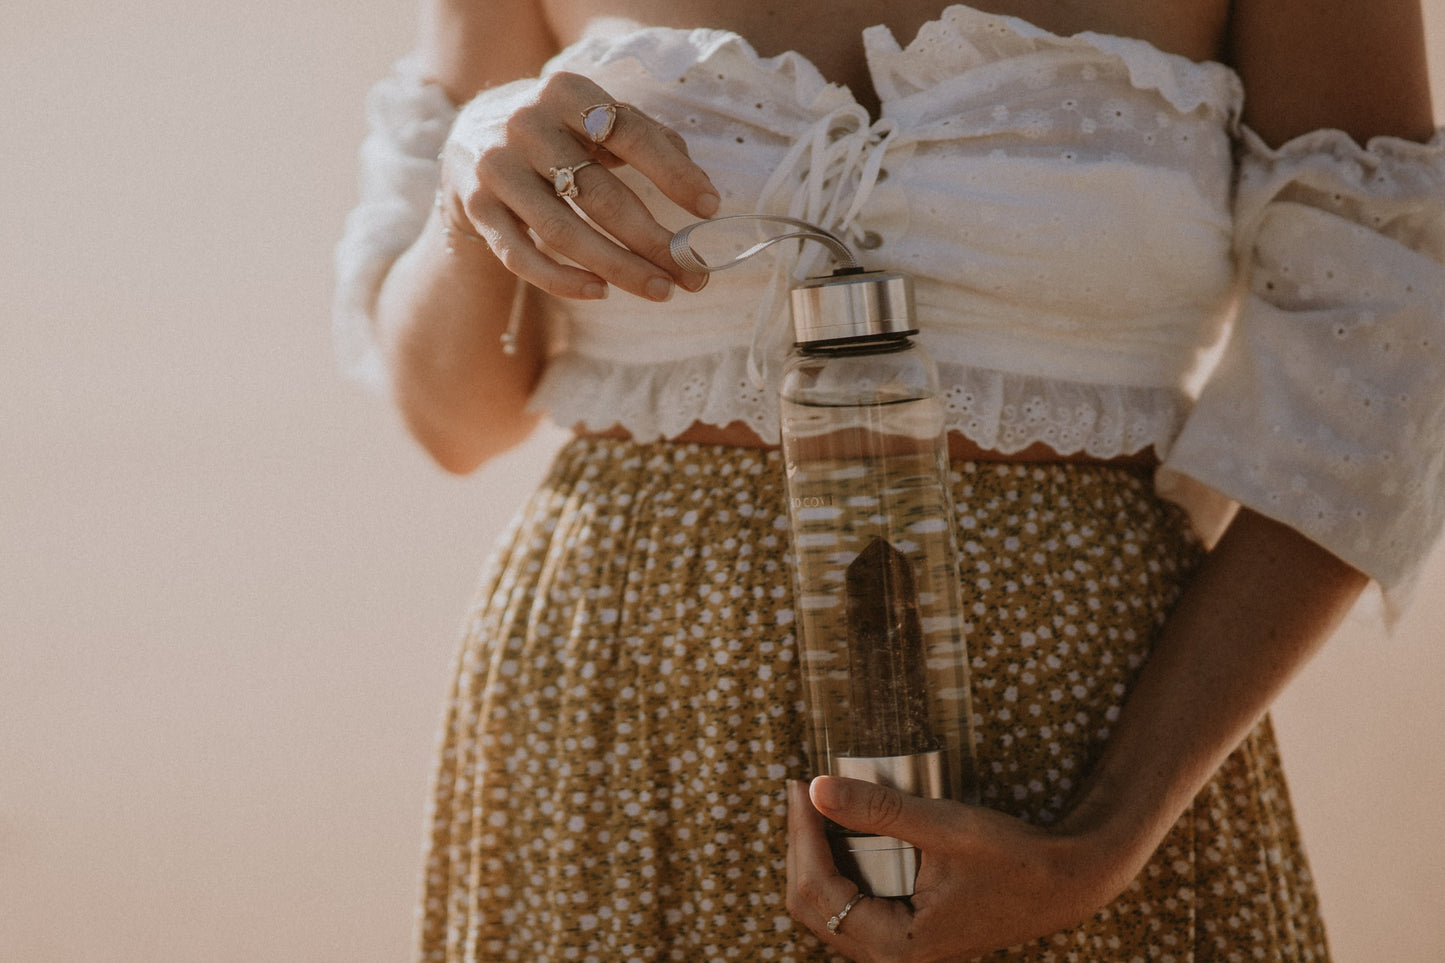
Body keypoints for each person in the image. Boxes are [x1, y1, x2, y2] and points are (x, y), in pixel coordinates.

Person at [334, 1, 1442, 959]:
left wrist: (1101, 837)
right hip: (623, 730)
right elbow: (454, 418)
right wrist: (467, 179)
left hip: (1078, 750)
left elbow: (1375, 361)